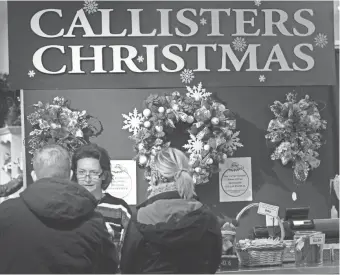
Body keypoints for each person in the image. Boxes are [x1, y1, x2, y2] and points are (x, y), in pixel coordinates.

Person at [0, 144, 118, 274]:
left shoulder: (6, 212)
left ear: (34, 176)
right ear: (71, 175)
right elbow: (109, 268)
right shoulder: (93, 221)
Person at [120, 147, 222, 274]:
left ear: (155, 176)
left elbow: (128, 266)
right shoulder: (206, 215)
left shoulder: (141, 216)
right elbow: (214, 262)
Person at [72, 143, 132, 241]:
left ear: (104, 175)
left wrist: (112, 237)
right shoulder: (68, 205)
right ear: (75, 174)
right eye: (82, 172)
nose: (87, 179)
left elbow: (130, 246)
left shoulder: (120, 209)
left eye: (94, 173)